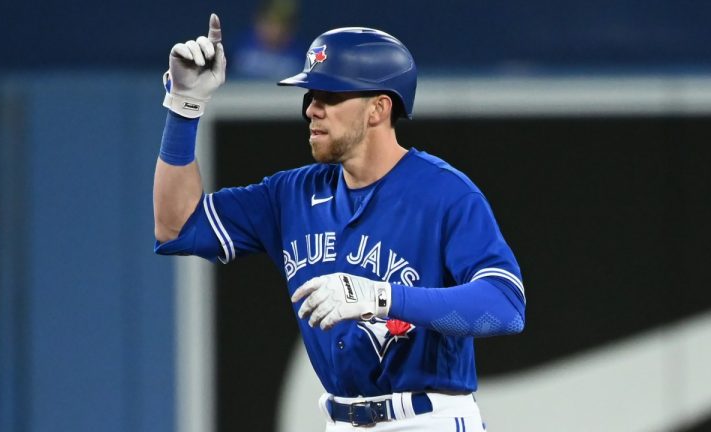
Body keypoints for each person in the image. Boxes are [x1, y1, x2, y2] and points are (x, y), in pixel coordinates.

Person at [154, 13, 526, 432]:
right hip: (340, 420)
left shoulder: (445, 194)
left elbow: (506, 306)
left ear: (378, 109)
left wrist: (383, 298)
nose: (312, 109)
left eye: (329, 95)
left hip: (427, 419)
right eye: (311, 95)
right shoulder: (290, 195)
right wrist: (185, 108)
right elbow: (177, 226)